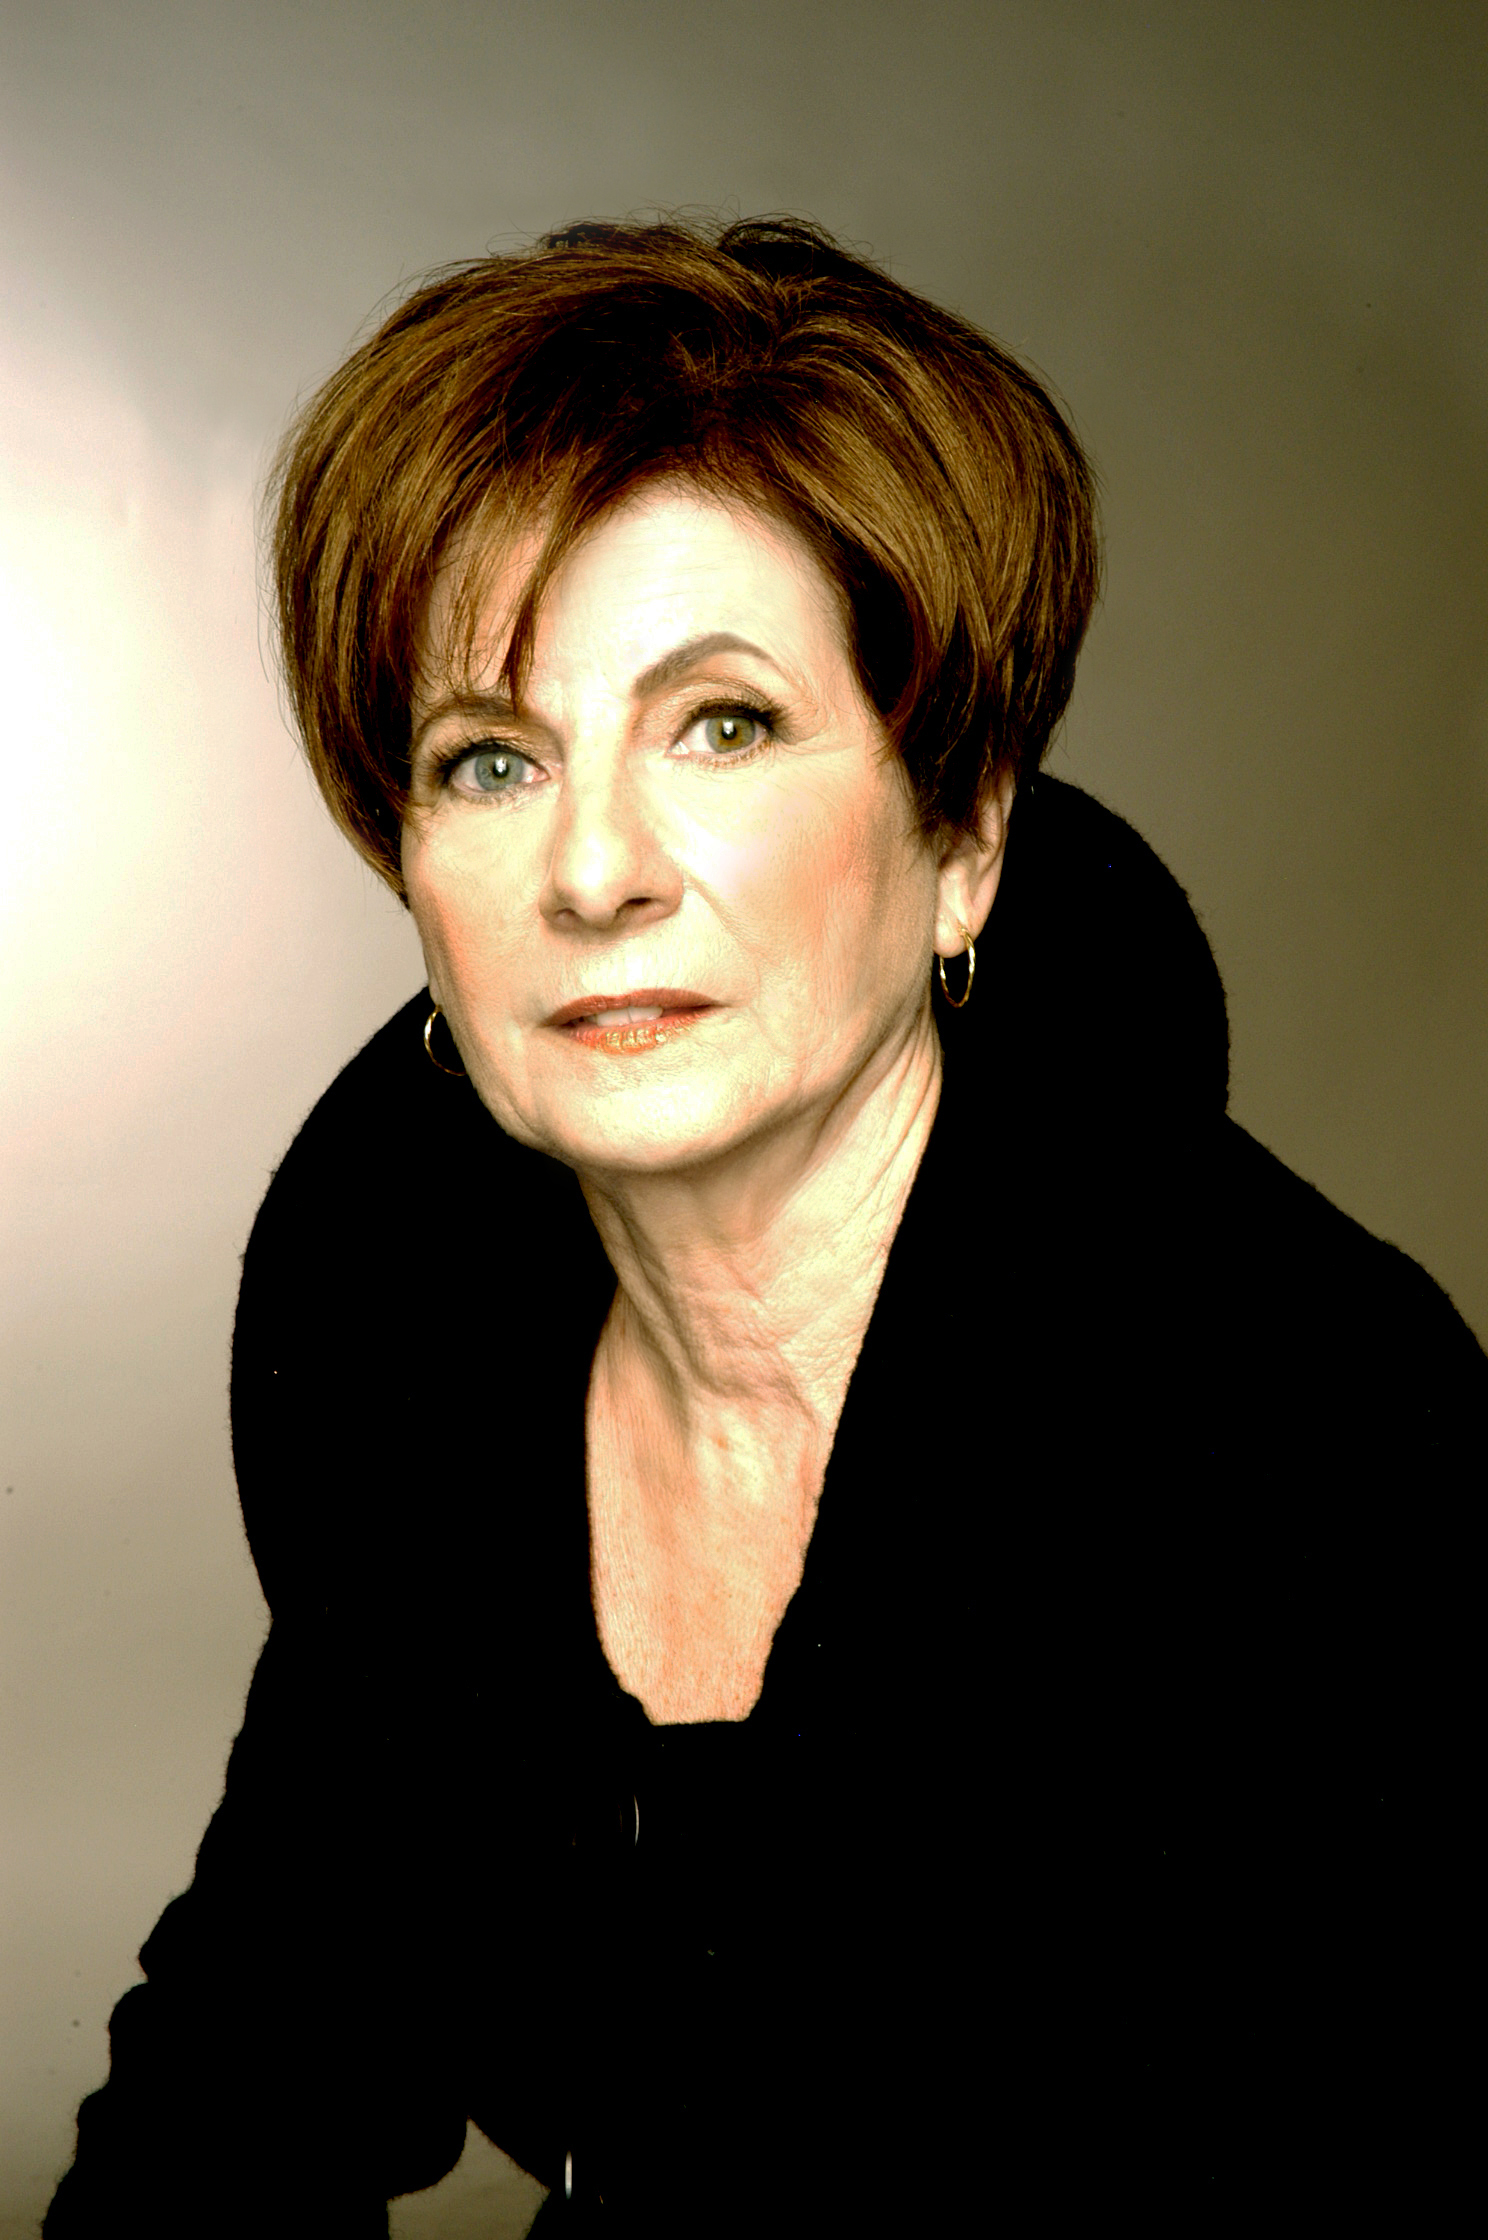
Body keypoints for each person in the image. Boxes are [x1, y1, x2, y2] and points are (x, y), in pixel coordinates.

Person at [46, 217, 1482, 2236]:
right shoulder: (421, 1401)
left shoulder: (1305, 1425)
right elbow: (240, 2084)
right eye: (489, 760)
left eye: (721, 724)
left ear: (961, 837)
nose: (594, 868)